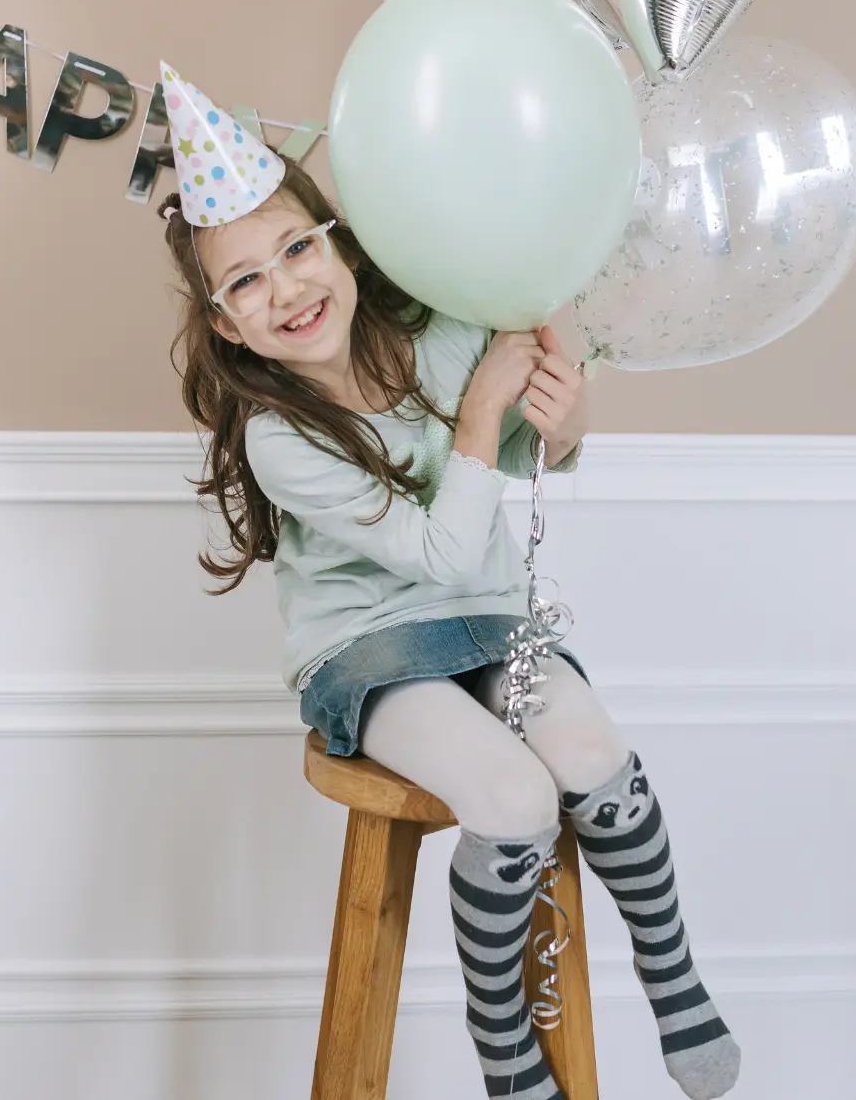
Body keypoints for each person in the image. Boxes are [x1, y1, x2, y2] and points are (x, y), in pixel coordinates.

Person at [157, 67, 740, 1100]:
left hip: (489, 620)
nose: (285, 289)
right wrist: (476, 418)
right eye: (245, 282)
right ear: (228, 326)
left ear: (341, 245)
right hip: (370, 652)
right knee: (514, 799)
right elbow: (437, 549)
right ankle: (501, 1034)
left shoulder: (440, 331)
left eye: (296, 249)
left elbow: (515, 451)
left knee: (596, 759)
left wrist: (563, 422)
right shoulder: (280, 438)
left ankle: (673, 970)